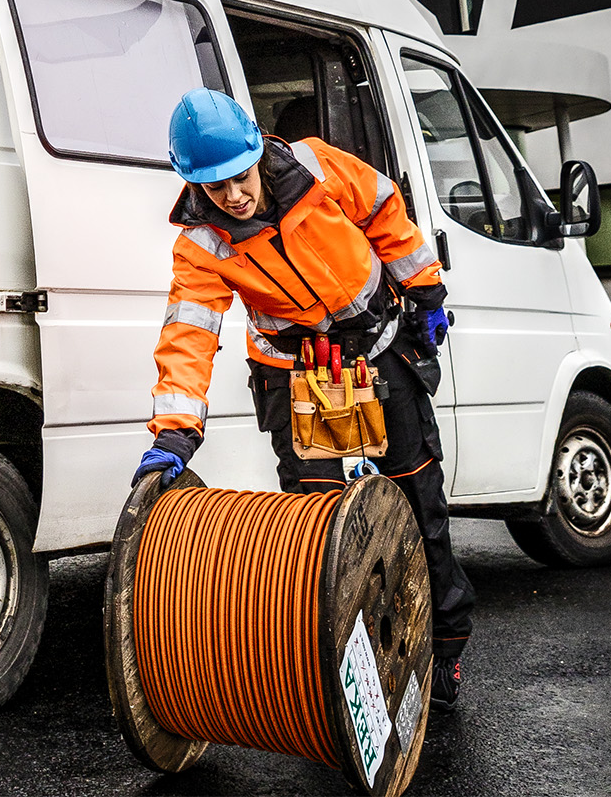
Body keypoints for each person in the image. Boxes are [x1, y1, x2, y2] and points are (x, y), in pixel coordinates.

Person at [135, 87, 474, 708]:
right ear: (192, 184)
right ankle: (338, 662)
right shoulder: (200, 244)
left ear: (257, 151)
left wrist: (424, 291)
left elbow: (386, 214)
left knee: (418, 499)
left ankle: (444, 646)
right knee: (315, 526)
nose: (233, 196)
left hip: (378, 351)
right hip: (296, 374)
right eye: (215, 188)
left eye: (239, 177)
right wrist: (175, 431)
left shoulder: (316, 167)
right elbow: (188, 333)